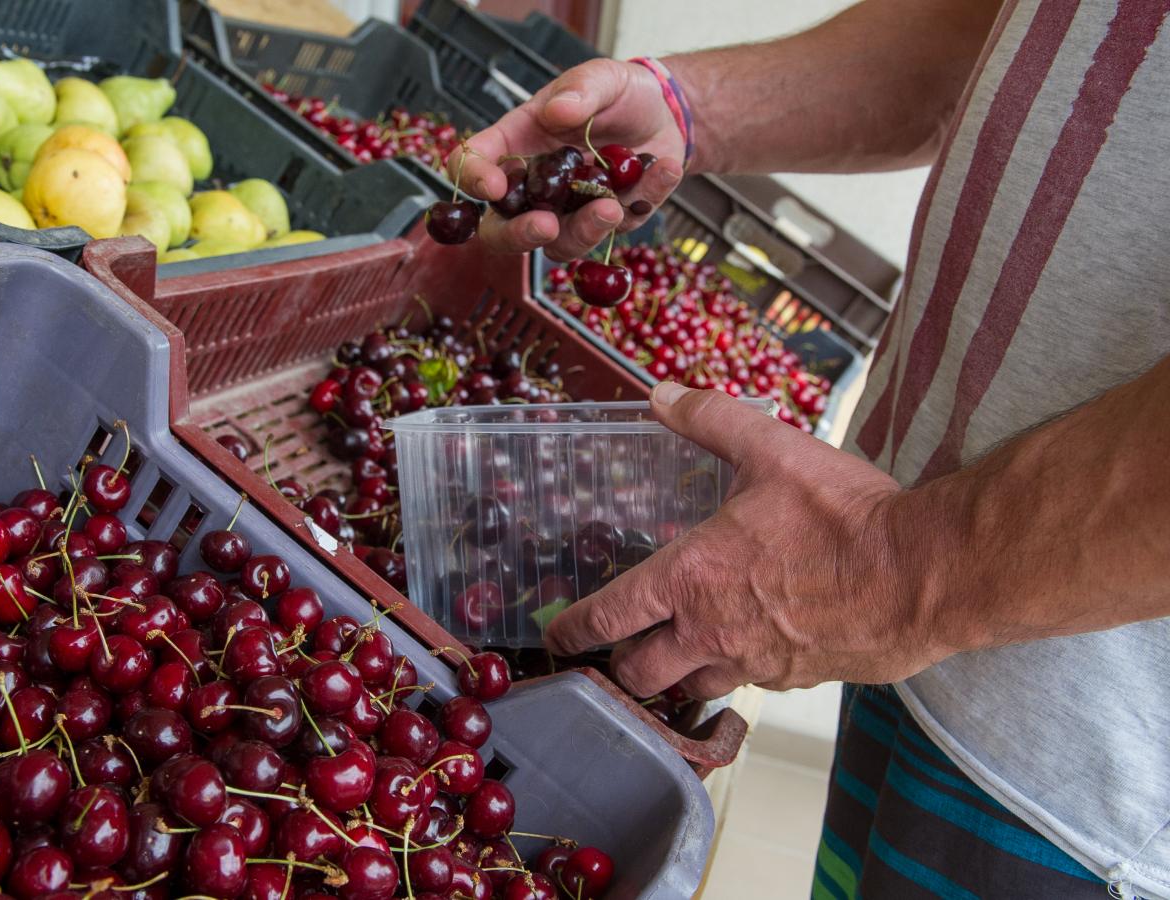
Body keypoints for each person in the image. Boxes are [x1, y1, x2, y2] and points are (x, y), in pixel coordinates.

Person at [449, 0, 1170, 897]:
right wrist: (686, 107)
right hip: (950, 628)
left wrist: (907, 569)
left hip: (1093, 777)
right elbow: (1018, 33)